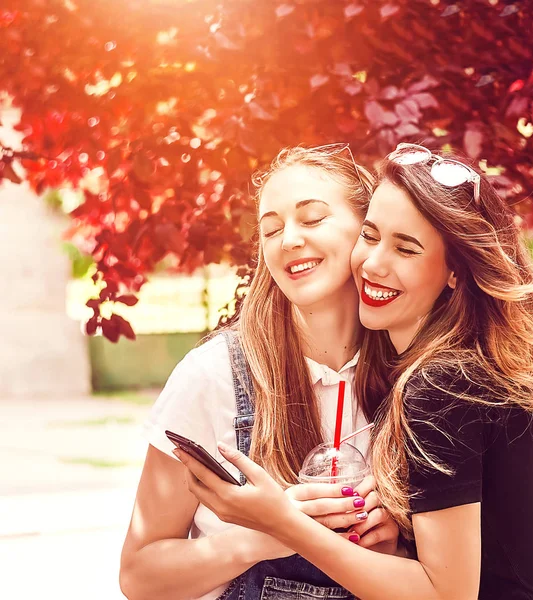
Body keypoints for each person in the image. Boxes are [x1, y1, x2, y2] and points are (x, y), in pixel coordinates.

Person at [174, 143, 533, 599]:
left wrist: (283, 525)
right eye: (370, 237)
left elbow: (444, 595)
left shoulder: (440, 383)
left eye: (406, 249)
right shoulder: (458, 363)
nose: (373, 264)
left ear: (455, 272)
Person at [119, 145, 400, 600]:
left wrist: (395, 546)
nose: (288, 239)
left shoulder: (420, 378)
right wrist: (268, 533)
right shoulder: (213, 375)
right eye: (271, 229)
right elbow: (139, 576)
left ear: (368, 233)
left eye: (311, 219)